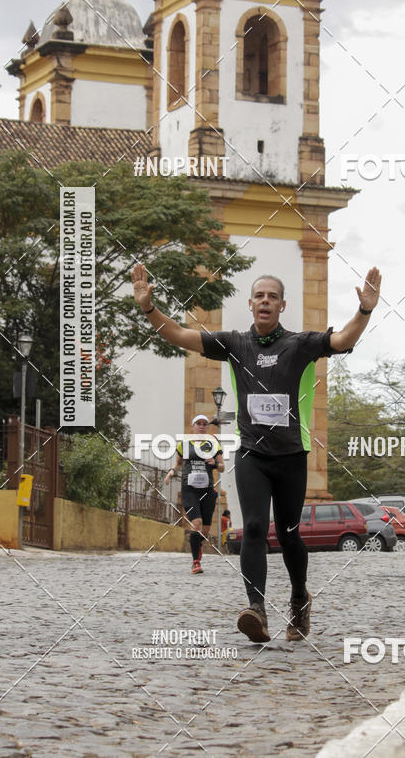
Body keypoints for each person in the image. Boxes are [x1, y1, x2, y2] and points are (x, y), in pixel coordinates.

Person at [132, 263, 381, 642]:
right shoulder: (234, 343)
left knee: (290, 533)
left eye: (273, 297)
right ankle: (257, 609)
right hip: (251, 454)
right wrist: (149, 308)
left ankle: (299, 600)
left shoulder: (299, 344)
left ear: (282, 306)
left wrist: (364, 311)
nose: (266, 301)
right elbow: (181, 335)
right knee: (251, 527)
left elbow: (344, 339)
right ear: (250, 304)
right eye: (259, 296)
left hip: (292, 456)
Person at [164, 414, 224, 575]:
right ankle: (195, 562)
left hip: (208, 490)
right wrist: (171, 472)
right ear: (193, 426)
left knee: (205, 530)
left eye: (205, 424)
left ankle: (197, 547)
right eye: (199, 423)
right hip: (189, 489)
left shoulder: (213, 444)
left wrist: (215, 463)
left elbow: (223, 467)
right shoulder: (184, 444)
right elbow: (178, 463)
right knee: (196, 523)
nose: (202, 426)